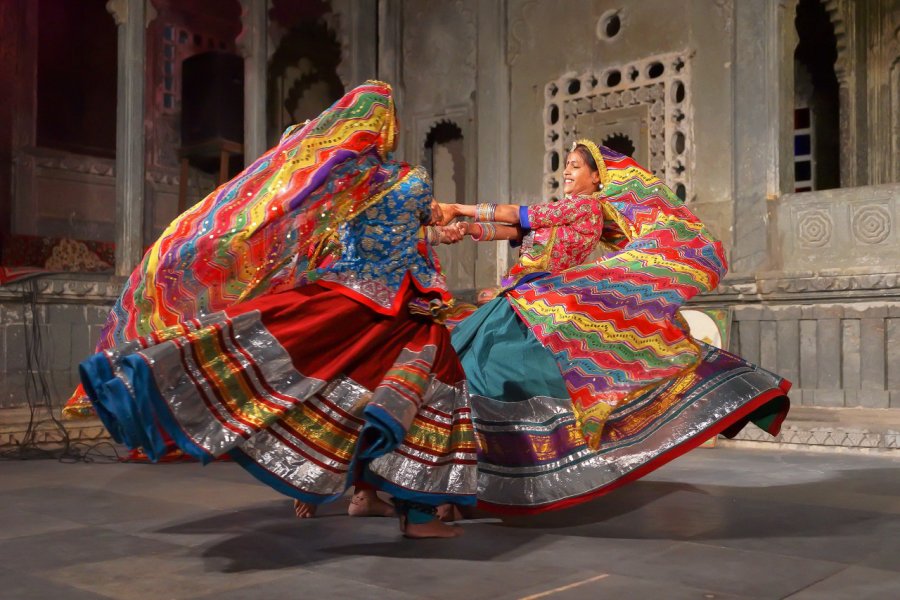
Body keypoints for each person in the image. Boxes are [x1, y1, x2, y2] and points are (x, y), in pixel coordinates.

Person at [79, 81, 474, 538]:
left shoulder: (339, 180)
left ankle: (364, 495)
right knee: (427, 387)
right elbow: (421, 220)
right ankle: (418, 515)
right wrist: (451, 222)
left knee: (340, 386)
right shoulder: (411, 178)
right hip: (399, 309)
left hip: (344, 298)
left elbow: (366, 223)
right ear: (384, 126)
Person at [440, 140, 791, 514]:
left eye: (576, 166)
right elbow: (513, 229)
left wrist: (461, 207)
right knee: (467, 366)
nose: (567, 172)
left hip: (541, 306)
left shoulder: (586, 207)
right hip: (519, 299)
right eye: (567, 166)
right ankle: (461, 479)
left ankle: (475, 481)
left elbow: (522, 214)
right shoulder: (561, 213)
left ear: (596, 176)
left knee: (491, 374)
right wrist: (463, 229)